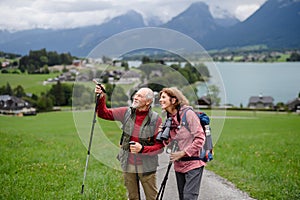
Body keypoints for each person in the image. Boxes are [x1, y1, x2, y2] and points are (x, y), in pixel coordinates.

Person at [95, 85, 164, 200]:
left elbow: (160, 147)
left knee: (151, 197)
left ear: (148, 102)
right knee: (132, 197)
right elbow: (103, 113)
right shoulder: (126, 113)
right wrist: (102, 96)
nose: (135, 97)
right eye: (135, 94)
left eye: (139, 96)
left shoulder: (156, 119)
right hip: (128, 164)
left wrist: (142, 149)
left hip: (146, 166)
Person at [158, 87, 206, 200]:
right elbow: (171, 145)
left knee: (189, 198)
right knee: (182, 197)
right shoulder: (169, 119)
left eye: (164, 97)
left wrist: (183, 153)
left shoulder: (188, 114)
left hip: (193, 163)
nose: (160, 100)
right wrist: (164, 136)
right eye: (160, 97)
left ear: (173, 100)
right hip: (179, 165)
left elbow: (200, 138)